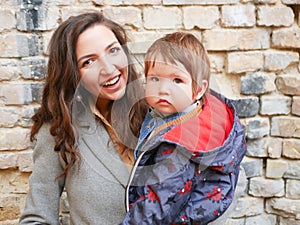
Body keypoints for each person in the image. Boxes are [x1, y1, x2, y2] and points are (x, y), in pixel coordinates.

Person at [19, 11, 147, 225]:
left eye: (113, 51)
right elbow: (36, 219)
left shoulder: (158, 111)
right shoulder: (59, 130)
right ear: (73, 74)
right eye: (89, 62)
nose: (108, 69)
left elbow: (209, 190)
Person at [121, 32, 247, 225]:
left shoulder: (180, 143)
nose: (163, 89)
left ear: (199, 89)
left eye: (177, 81)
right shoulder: (175, 112)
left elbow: (158, 203)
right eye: (154, 79)